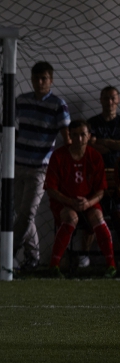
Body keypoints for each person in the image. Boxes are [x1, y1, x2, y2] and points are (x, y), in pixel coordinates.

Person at [13, 61, 71, 270]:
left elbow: (67, 139)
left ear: (51, 80)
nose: (40, 82)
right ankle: (33, 257)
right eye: (36, 78)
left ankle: (9, 252)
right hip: (17, 164)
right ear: (31, 79)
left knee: (28, 213)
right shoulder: (22, 100)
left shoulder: (58, 104)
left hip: (41, 168)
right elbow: (11, 125)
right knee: (21, 214)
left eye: (44, 78)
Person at [44, 120, 115, 278]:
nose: (79, 139)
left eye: (83, 135)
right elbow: (51, 189)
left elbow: (101, 191)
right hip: (64, 203)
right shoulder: (58, 156)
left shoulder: (95, 156)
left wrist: (88, 203)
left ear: (89, 136)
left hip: (88, 202)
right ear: (69, 136)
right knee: (71, 217)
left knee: (97, 216)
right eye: (74, 135)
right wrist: (70, 202)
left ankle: (111, 265)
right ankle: (54, 266)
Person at [77, 86, 120, 267]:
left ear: (117, 100)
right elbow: (88, 147)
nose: (109, 102)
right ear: (100, 100)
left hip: (118, 177)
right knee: (91, 214)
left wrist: (102, 142)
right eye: (105, 98)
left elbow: (98, 144)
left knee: (117, 215)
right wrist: (114, 145)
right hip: (96, 176)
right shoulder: (92, 123)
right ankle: (84, 255)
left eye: (112, 98)